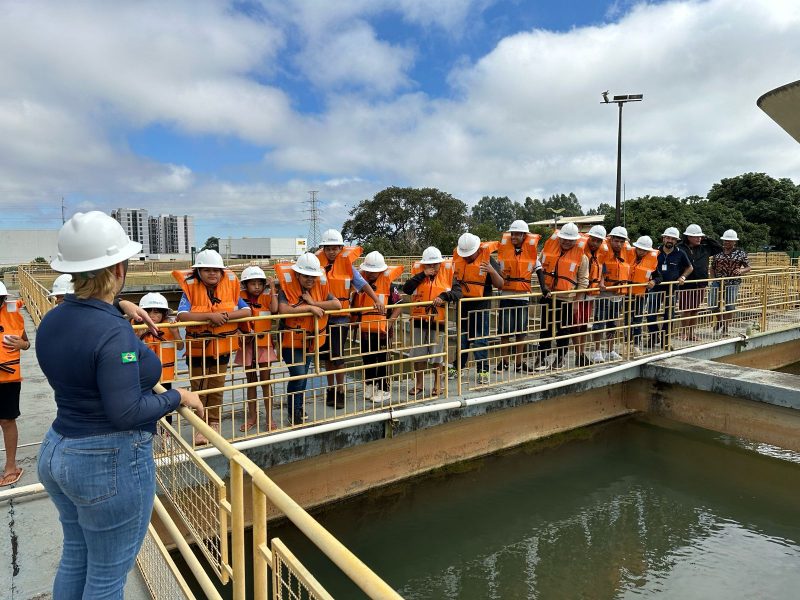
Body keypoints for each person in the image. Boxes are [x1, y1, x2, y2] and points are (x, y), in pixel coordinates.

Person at [36, 211, 203, 598]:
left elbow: (87, 324)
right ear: (118, 267)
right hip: (106, 461)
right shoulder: (111, 332)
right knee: (108, 577)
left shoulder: (54, 318)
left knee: (76, 556)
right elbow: (125, 412)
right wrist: (178, 396)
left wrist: (121, 307)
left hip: (57, 447)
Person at [173, 250, 251, 445]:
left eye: (216, 270)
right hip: (197, 347)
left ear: (222, 272)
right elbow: (182, 315)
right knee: (198, 387)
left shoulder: (230, 287)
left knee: (216, 386)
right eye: (206, 270)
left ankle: (214, 422)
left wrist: (223, 316)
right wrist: (209, 317)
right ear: (198, 271)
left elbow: (246, 310)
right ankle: (200, 426)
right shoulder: (190, 288)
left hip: (222, 347)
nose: (212, 274)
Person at [316, 229, 383, 409]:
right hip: (322, 317)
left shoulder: (347, 266)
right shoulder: (317, 264)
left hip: (340, 318)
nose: (331, 251)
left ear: (340, 248)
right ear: (323, 249)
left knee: (338, 357)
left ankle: (340, 390)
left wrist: (376, 300)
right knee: (327, 358)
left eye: (334, 248)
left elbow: (362, 284)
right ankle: (330, 389)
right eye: (327, 248)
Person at [276, 253, 341, 424]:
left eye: (313, 276)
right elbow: (283, 310)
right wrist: (308, 308)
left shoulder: (321, 289)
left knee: (303, 376)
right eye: (306, 276)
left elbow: (337, 305)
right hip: (291, 341)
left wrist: (313, 303)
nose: (310, 280)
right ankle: (293, 411)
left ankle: (298, 407)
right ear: (297, 274)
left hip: (312, 340)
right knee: (298, 375)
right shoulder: (285, 289)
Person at [402, 247, 461, 396]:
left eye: (435, 264)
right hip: (418, 321)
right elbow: (407, 289)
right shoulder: (418, 273)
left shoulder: (448, 274)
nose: (432, 267)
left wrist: (445, 296)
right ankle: (419, 384)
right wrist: (423, 274)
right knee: (418, 354)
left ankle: (437, 384)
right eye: (428, 264)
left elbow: (458, 293)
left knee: (437, 355)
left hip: (438, 321)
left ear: (440, 263)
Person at [450, 233, 503, 385]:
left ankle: (482, 370)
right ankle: (457, 366)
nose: (466, 257)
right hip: (463, 306)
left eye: (469, 254)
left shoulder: (488, 259)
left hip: (480, 308)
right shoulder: (458, 260)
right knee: (462, 339)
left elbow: (500, 284)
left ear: (477, 250)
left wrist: (492, 271)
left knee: (480, 340)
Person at [351, 252, 403, 404]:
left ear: (381, 271)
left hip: (383, 331)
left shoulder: (389, 285)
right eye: (369, 271)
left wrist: (390, 322)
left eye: (375, 271)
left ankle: (384, 389)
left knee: (381, 359)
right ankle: (370, 384)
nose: (371, 274)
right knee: (367, 358)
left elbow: (399, 305)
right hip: (366, 329)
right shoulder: (361, 285)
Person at [536, 222, 589, 369]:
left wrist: (577, 302)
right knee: (545, 329)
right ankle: (541, 357)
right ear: (559, 238)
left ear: (575, 240)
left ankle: (560, 358)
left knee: (563, 330)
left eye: (570, 240)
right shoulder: (548, 250)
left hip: (567, 299)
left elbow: (583, 281)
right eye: (564, 239)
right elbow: (539, 268)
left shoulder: (582, 257)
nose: (566, 242)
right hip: (548, 296)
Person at [496, 220, 544, 372]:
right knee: (504, 332)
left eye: (517, 234)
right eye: (512, 234)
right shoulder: (503, 251)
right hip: (506, 296)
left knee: (520, 333)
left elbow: (539, 269)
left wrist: (544, 288)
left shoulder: (531, 253)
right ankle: (503, 362)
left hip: (522, 297)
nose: (514, 236)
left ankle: (518, 363)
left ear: (524, 236)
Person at [236, 266, 279, 432]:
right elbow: (235, 320)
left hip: (264, 344)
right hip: (247, 345)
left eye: (259, 284)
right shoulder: (239, 298)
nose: (256, 287)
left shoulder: (268, 296)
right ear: (246, 285)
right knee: (251, 382)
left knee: (266, 382)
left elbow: (274, 309)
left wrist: (273, 288)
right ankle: (252, 417)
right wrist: (240, 331)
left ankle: (269, 418)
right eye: (252, 284)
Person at [137, 293, 184, 423]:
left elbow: (180, 347)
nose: (152, 315)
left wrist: (175, 333)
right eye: (148, 311)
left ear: (164, 314)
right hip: (142, 376)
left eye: (157, 312)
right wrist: (138, 336)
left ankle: (167, 434)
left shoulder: (169, 327)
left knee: (166, 403)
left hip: (164, 375)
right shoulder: (135, 327)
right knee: (146, 404)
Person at [0, 282, 30, 487]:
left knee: (7, 421)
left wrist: (21, 344)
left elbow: (26, 343)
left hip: (7, 379)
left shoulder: (12, 314)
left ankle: (11, 466)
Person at [591, 226, 631, 363]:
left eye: (621, 241)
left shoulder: (626, 252)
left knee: (612, 324)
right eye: (616, 241)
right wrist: (601, 281)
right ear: (610, 239)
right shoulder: (603, 251)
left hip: (618, 295)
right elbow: (599, 265)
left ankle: (610, 350)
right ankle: (597, 351)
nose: (618, 244)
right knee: (599, 323)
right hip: (603, 294)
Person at [648, 227, 693, 348]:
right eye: (668, 238)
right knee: (650, 313)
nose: (670, 240)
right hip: (655, 287)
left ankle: (665, 340)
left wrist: (683, 277)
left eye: (673, 239)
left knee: (669, 315)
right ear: (663, 238)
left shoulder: (680, 253)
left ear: (676, 241)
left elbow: (690, 267)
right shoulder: (655, 252)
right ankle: (653, 336)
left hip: (672, 288)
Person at [678, 224, 722, 341]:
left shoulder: (704, 248)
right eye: (695, 236)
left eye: (700, 237)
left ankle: (692, 333)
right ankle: (683, 332)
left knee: (695, 309)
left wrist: (707, 237)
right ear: (688, 237)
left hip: (701, 282)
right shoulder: (681, 248)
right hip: (686, 283)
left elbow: (719, 248)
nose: (699, 239)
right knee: (686, 309)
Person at [575, 225, 608, 366]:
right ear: (589, 238)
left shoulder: (600, 254)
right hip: (577, 293)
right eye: (593, 240)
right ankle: (579, 354)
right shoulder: (579, 251)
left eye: (598, 241)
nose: (595, 243)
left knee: (583, 325)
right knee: (575, 325)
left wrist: (601, 282)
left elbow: (603, 271)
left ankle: (581, 353)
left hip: (590, 294)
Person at [709, 229, 750, 335]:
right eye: (725, 240)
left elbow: (748, 267)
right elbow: (712, 267)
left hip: (733, 282)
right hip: (718, 281)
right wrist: (713, 279)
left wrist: (741, 270)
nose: (726, 242)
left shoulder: (740, 253)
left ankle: (726, 328)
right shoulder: (718, 252)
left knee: (730, 306)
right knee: (712, 305)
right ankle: (720, 320)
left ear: (734, 242)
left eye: (729, 241)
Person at [626, 235, 659, 354]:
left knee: (637, 320)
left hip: (641, 295)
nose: (641, 252)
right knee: (626, 320)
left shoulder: (652, 261)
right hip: (626, 294)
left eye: (644, 250)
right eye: (639, 249)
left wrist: (654, 281)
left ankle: (636, 345)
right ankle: (626, 345)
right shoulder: (628, 255)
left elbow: (659, 276)